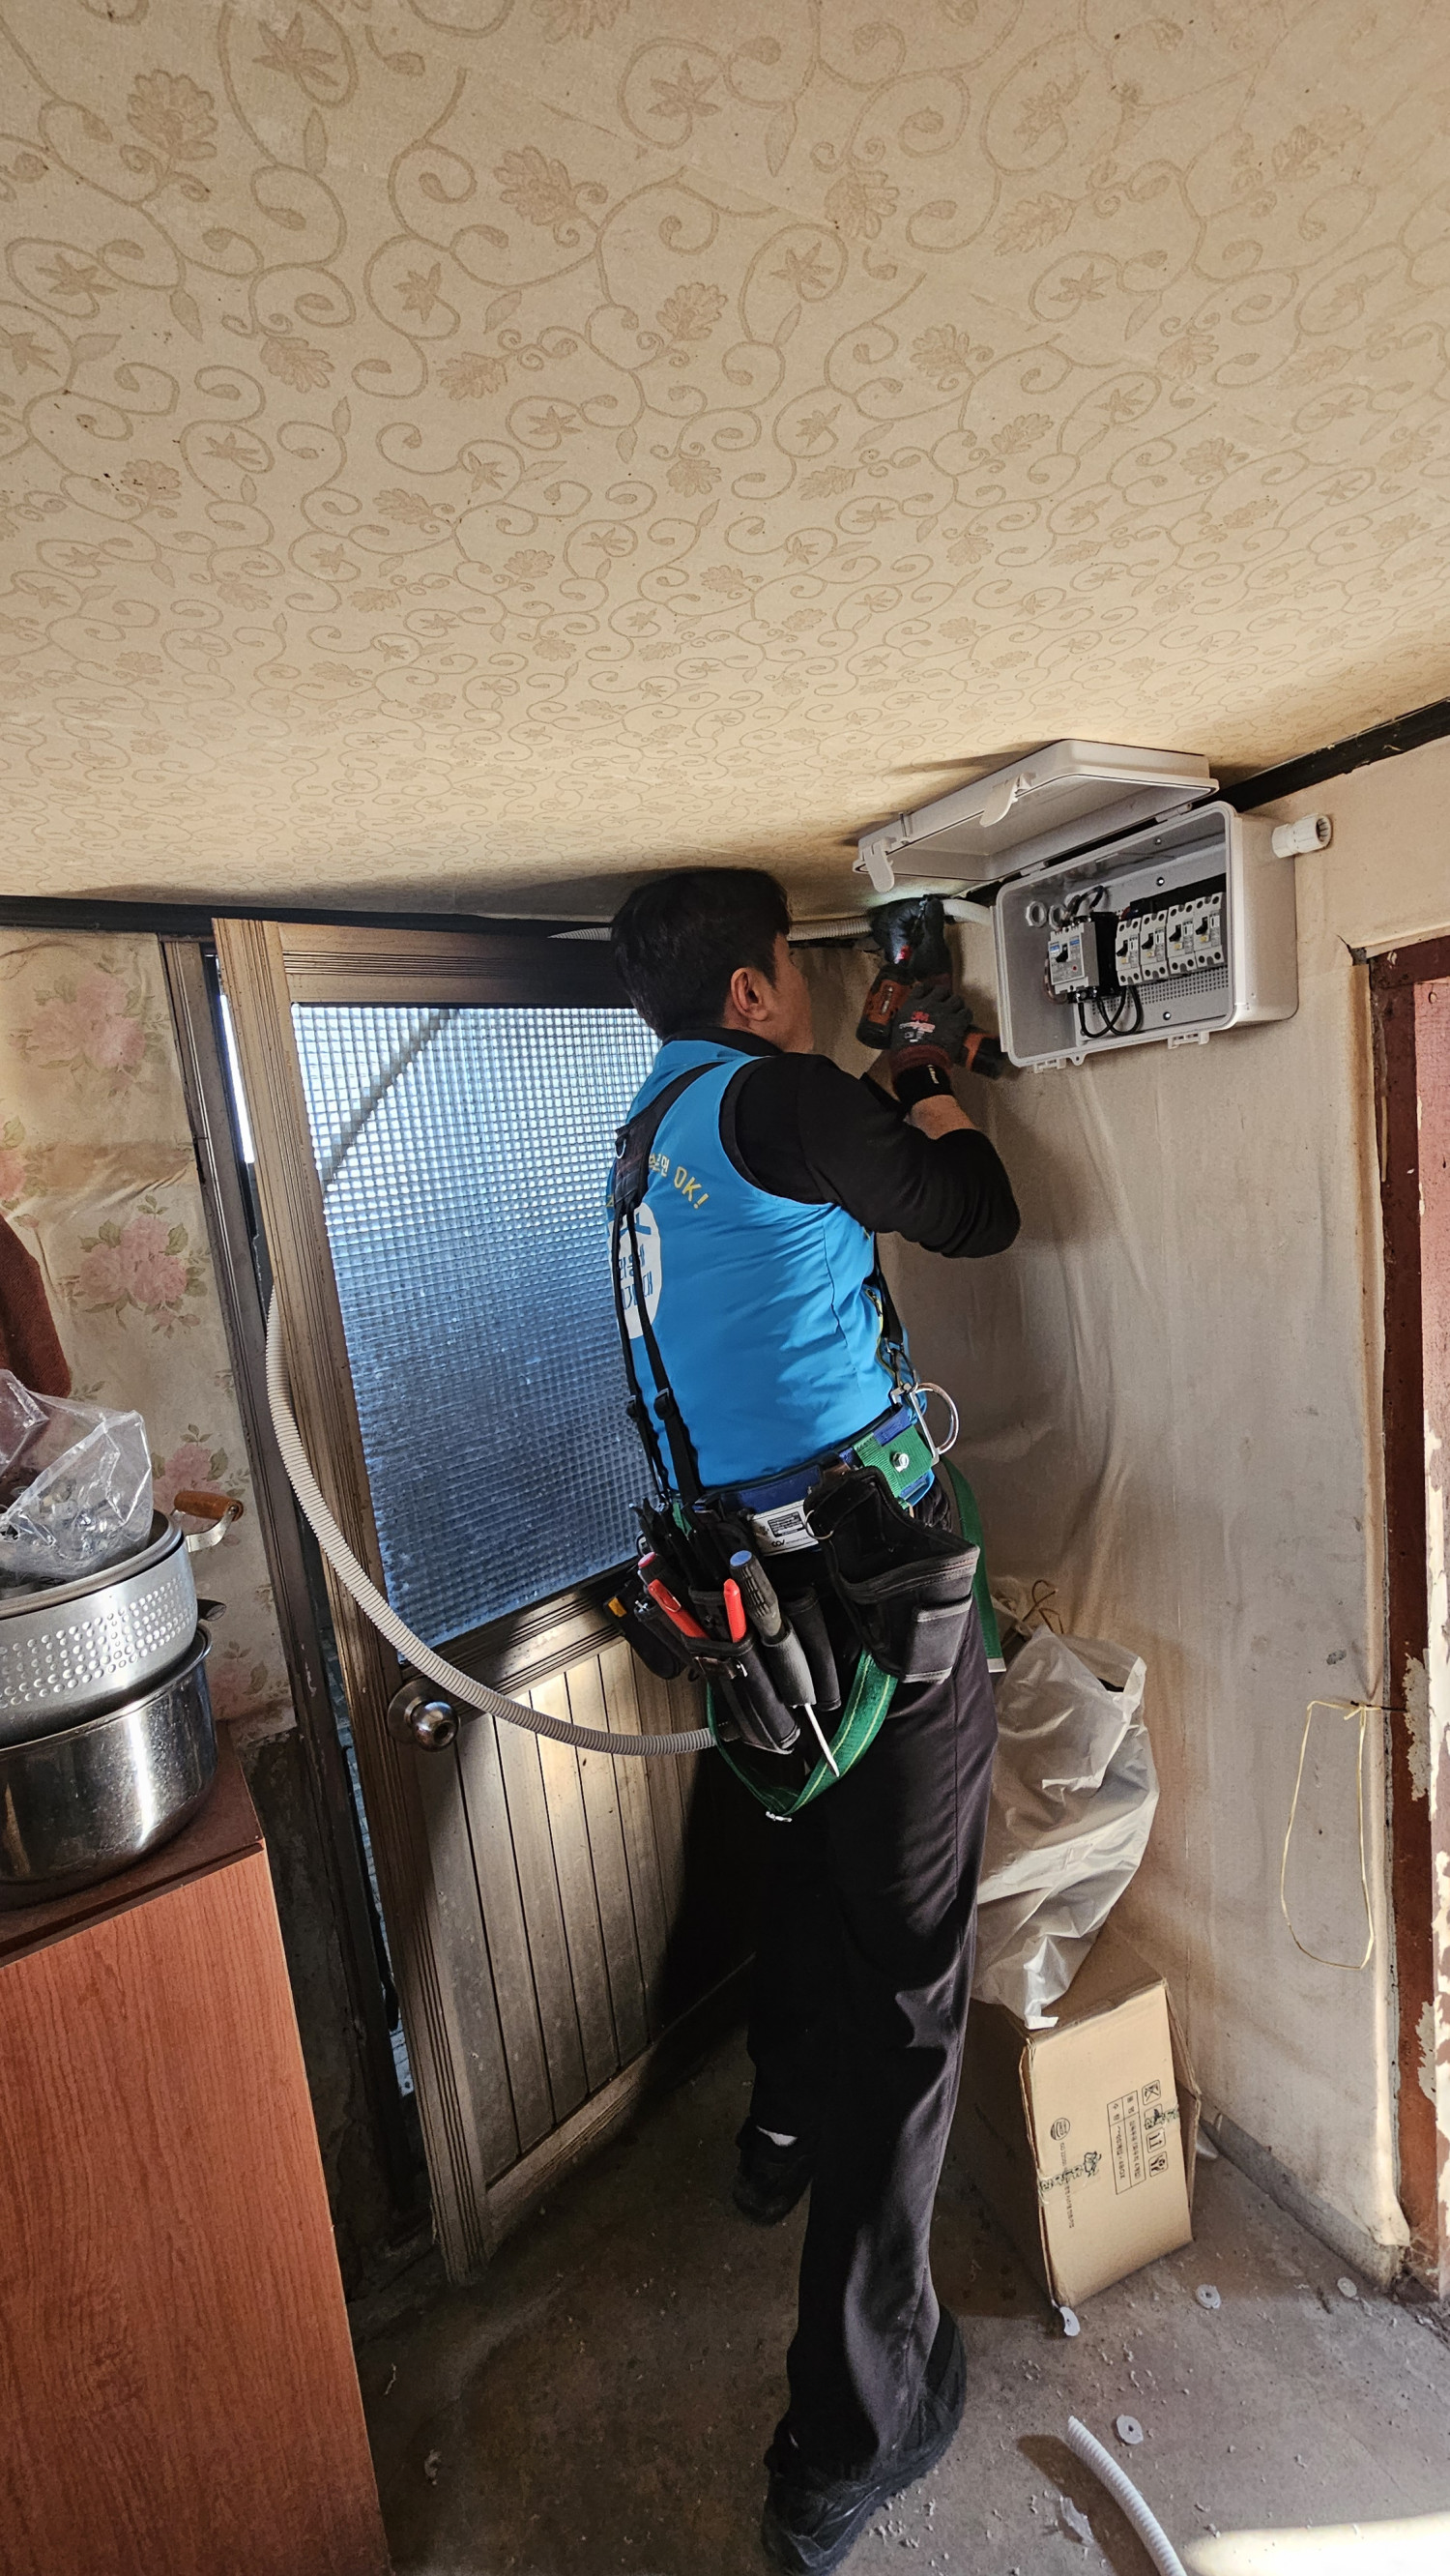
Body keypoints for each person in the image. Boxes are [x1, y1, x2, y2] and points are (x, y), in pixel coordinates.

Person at [607, 868, 1019, 2576]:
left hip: (747, 1595)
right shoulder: (786, 1100)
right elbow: (974, 1214)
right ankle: (852, 2431)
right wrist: (928, 1081)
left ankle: (776, 2138)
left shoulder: (646, 1136)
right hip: (872, 1581)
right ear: (756, 991)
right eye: (798, 968)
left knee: (800, 1853)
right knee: (910, 1996)